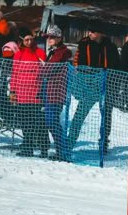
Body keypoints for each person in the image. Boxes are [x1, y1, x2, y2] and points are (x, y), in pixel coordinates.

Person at [67, 24, 119, 151]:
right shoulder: (84, 44)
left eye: (93, 31)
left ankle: (103, 142)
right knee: (79, 116)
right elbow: (77, 63)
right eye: (89, 31)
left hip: (106, 87)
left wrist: (114, 83)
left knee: (106, 116)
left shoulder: (110, 47)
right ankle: (69, 143)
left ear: (100, 33)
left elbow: (116, 65)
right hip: (88, 87)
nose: (90, 34)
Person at [9, 29, 47, 156]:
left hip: (35, 93)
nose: (29, 42)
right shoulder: (18, 53)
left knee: (37, 122)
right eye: (26, 40)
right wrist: (13, 91)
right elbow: (14, 73)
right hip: (22, 93)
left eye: (31, 39)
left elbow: (44, 72)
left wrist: (42, 90)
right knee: (25, 122)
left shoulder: (40, 52)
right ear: (22, 40)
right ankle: (28, 147)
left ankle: (43, 147)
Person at [40, 26, 73, 161]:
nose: (49, 39)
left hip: (56, 92)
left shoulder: (61, 53)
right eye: (48, 37)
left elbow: (47, 70)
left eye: (52, 37)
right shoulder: (53, 52)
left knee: (51, 120)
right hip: (49, 91)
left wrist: (43, 68)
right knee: (49, 121)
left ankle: (61, 150)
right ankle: (60, 150)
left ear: (59, 38)